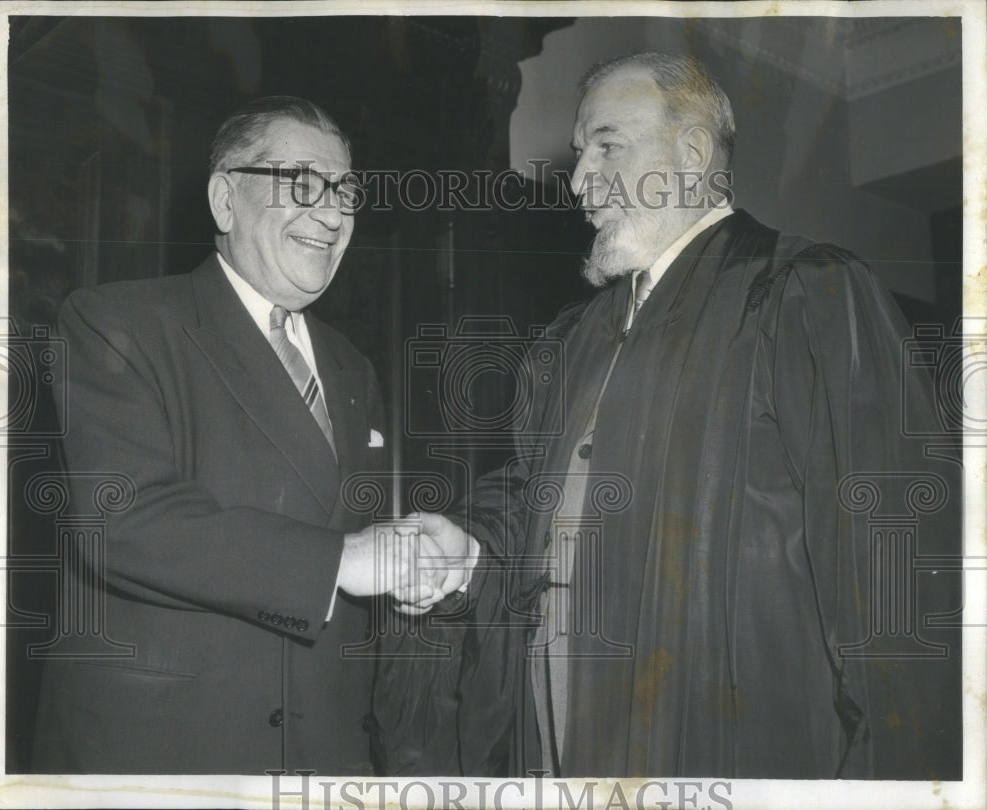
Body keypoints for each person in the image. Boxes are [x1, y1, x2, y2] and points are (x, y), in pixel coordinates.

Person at [371, 53, 962, 779]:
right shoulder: (572, 339)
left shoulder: (805, 296)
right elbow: (536, 505)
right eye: (581, 152)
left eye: (607, 146)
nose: (581, 179)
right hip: (560, 733)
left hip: (727, 739)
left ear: (690, 153)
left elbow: (896, 567)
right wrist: (466, 549)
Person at [32, 96, 435, 774]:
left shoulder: (352, 364)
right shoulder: (116, 322)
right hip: (168, 760)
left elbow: (352, 543)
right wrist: (345, 563)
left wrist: (423, 568)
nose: (334, 213)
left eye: (346, 190)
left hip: (323, 761)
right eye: (302, 183)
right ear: (225, 200)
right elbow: (123, 519)